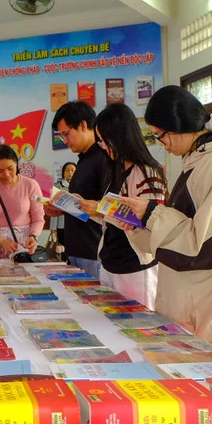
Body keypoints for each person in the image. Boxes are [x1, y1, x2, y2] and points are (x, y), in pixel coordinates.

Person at [117, 85, 212, 347]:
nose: (161, 145)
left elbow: (209, 244)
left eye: (159, 136)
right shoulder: (199, 160)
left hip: (210, 308)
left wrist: (152, 214)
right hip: (194, 301)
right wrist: (138, 225)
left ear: (177, 127)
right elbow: (180, 233)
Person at [77, 104, 166, 309]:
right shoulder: (116, 171)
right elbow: (111, 219)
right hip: (110, 262)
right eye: (100, 141)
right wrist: (86, 207)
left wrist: (101, 209)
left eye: (104, 140)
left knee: (141, 323)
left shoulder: (147, 172)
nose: (103, 147)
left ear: (119, 136)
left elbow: (147, 220)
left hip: (135, 265)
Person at [48, 101, 109, 278]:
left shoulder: (103, 157)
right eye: (62, 136)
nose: (65, 141)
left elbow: (108, 206)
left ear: (83, 125)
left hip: (94, 251)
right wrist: (62, 208)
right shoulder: (83, 159)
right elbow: (85, 203)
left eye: (66, 134)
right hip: (77, 249)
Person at [0, 144, 44, 263]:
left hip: (23, 245)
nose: (6, 174)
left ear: (16, 163)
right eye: (0, 171)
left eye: (10, 168)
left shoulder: (31, 185)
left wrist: (33, 236)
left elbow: (38, 217)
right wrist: (2, 241)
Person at [50, 162, 75, 257]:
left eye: (73, 170)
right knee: (63, 250)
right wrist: (53, 228)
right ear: (63, 172)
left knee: (75, 249)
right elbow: (54, 208)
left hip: (77, 224)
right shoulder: (58, 186)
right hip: (62, 223)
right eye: (67, 170)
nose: (70, 173)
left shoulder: (81, 186)